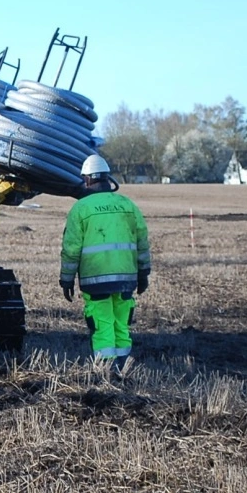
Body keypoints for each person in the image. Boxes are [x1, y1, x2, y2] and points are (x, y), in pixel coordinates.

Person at [59, 154, 151, 371]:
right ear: (108, 178)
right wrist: (143, 273)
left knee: (101, 325)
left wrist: (67, 280)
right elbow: (142, 241)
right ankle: (123, 368)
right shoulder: (127, 205)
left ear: (88, 180)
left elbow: (71, 250)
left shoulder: (81, 208)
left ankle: (106, 370)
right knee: (121, 325)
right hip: (127, 280)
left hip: (96, 280)